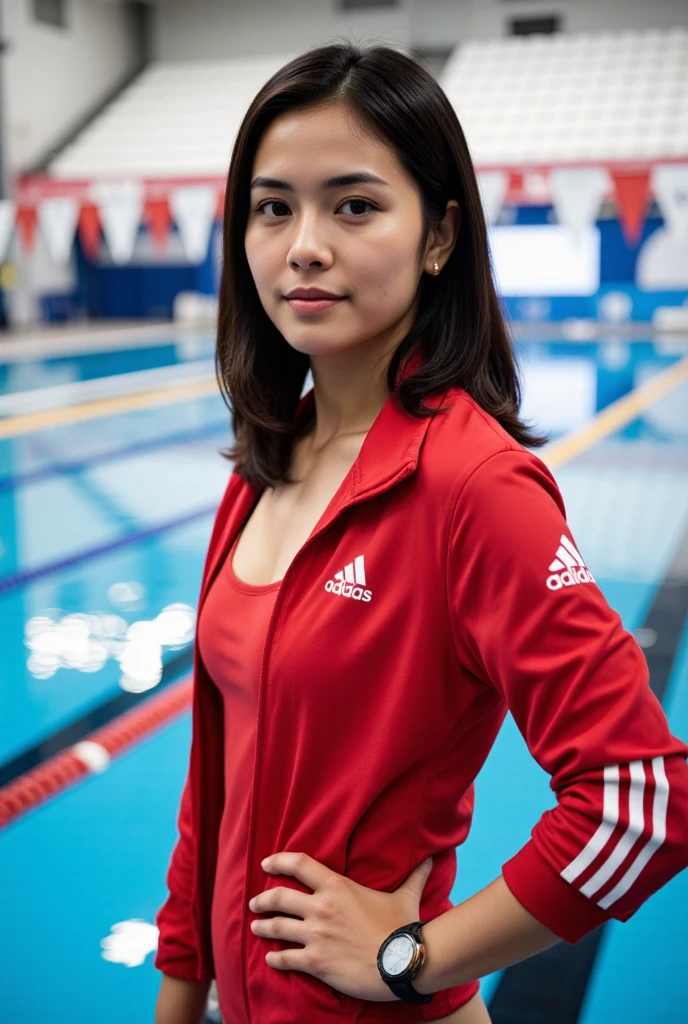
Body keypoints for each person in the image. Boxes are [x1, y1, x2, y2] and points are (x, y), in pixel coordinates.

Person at [153, 41, 688, 1024]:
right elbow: (211, 789)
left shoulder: (473, 486)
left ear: (439, 235)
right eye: (274, 207)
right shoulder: (268, 462)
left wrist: (409, 956)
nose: (303, 243)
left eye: (353, 205)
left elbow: (640, 798)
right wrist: (180, 1000)